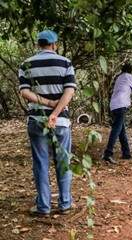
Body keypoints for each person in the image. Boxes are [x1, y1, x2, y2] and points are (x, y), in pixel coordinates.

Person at [19, 30, 76, 217]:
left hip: (36, 120)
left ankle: (43, 206)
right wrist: (56, 111)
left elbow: (25, 92)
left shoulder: (26, 64)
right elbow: (69, 93)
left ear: (39, 45)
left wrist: (47, 104)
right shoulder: (65, 63)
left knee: (41, 163)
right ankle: (65, 203)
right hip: (61, 122)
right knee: (63, 162)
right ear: (54, 45)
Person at [102, 62, 132, 164]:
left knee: (121, 130)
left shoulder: (120, 78)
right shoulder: (129, 76)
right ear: (130, 71)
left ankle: (126, 153)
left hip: (114, 105)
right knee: (116, 129)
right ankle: (108, 153)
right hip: (121, 105)